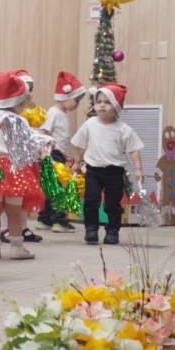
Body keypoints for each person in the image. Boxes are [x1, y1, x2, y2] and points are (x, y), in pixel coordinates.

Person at [0, 71, 44, 260]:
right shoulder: (21, 121)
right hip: (16, 169)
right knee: (15, 211)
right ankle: (17, 247)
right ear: (17, 101)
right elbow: (29, 146)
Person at [71, 83, 144, 245]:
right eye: (99, 102)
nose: (102, 105)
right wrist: (76, 162)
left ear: (117, 106)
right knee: (90, 200)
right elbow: (80, 145)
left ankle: (112, 231)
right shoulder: (90, 124)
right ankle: (91, 229)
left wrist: (138, 169)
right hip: (93, 171)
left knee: (113, 203)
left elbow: (133, 149)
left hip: (115, 172)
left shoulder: (123, 129)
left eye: (107, 102)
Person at [36, 71, 86, 233]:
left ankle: (45, 219)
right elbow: (42, 133)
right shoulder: (53, 113)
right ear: (66, 96)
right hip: (50, 156)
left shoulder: (61, 114)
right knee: (57, 190)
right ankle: (58, 221)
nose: (77, 104)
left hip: (57, 155)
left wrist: (63, 154)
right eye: (76, 100)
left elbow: (58, 137)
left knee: (50, 189)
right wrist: (47, 153)